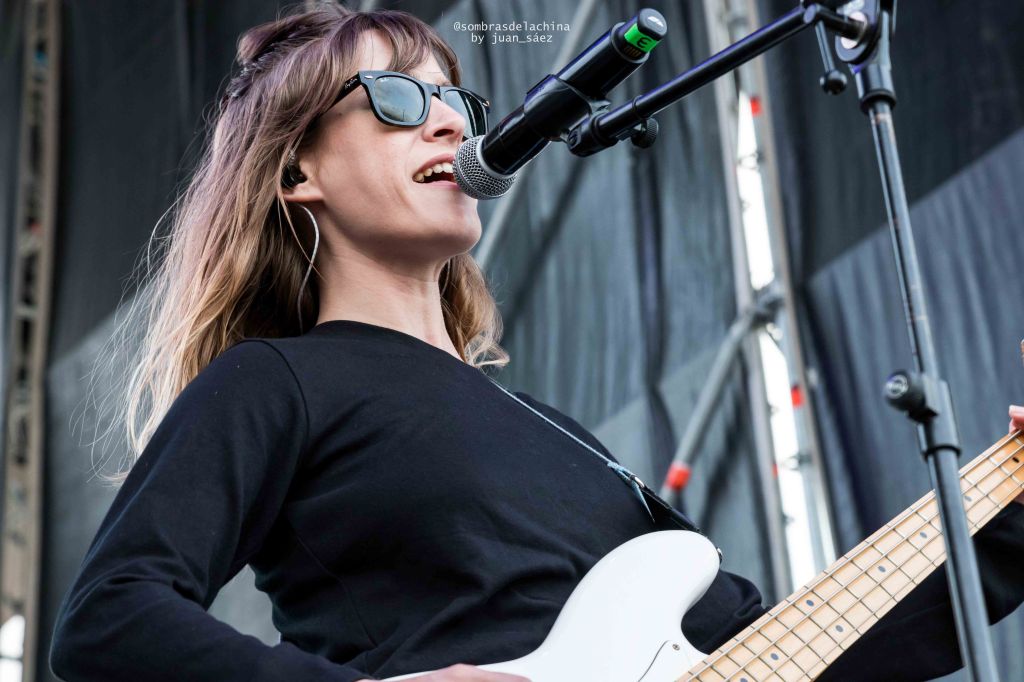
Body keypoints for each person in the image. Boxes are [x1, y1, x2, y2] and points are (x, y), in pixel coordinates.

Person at [48, 5, 1024, 682]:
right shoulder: (276, 382)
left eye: (455, 101)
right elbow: (110, 618)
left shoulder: (560, 437)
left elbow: (805, 651)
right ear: (298, 173)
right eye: (395, 98)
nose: (446, 121)